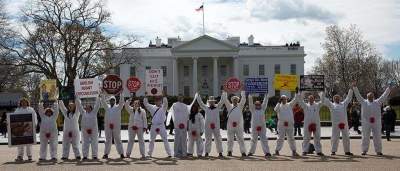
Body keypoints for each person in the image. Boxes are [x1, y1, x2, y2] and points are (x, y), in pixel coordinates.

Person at [353, 82, 391, 155]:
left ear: (373, 96)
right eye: (369, 96)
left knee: (377, 136)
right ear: (367, 97)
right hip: (366, 121)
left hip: (376, 121)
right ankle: (364, 150)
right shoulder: (363, 102)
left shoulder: (377, 102)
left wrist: (388, 88)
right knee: (365, 136)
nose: (370, 97)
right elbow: (358, 96)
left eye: (371, 96)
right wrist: (355, 87)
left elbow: (384, 96)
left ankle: (378, 151)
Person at [321, 89, 354, 156]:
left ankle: (347, 151)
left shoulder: (344, 104)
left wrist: (350, 89)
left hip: (344, 124)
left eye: (338, 98)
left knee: (346, 137)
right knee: (334, 137)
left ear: (340, 98)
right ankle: (333, 151)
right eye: (335, 98)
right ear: (333, 99)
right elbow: (324, 99)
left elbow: (349, 98)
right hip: (335, 124)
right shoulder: (331, 105)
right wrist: (322, 91)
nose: (337, 99)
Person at [196, 93, 225, 157]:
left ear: (214, 102)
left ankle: (220, 152)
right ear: (209, 102)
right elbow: (201, 103)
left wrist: (223, 94)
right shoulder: (206, 107)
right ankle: (207, 152)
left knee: (218, 138)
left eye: (212, 101)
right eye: (210, 101)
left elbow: (222, 101)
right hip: (208, 126)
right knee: (208, 139)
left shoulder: (217, 107)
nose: (211, 102)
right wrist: (198, 96)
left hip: (216, 126)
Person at [144, 92, 172, 157]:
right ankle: (149, 153)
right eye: (156, 100)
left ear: (161, 101)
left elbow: (166, 103)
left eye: (159, 100)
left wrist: (164, 96)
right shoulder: (152, 107)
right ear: (155, 101)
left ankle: (169, 153)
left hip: (161, 126)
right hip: (154, 126)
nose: (158, 102)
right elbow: (146, 104)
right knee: (151, 140)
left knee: (165, 140)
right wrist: (146, 96)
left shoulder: (164, 107)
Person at [298, 91, 325, 156]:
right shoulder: (305, 106)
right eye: (310, 99)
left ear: (314, 99)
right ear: (308, 99)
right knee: (306, 138)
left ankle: (319, 151)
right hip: (307, 124)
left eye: (312, 98)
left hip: (316, 124)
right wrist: (301, 93)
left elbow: (323, 101)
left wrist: (322, 93)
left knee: (317, 137)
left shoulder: (317, 105)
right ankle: (304, 151)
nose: (311, 100)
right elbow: (300, 101)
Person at [222, 91, 247, 157]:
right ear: (232, 101)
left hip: (239, 126)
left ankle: (243, 152)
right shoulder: (229, 106)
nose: (235, 101)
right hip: (230, 125)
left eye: (236, 100)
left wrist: (243, 92)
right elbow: (225, 100)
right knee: (230, 140)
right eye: (233, 100)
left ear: (238, 100)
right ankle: (229, 151)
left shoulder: (240, 106)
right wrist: (224, 93)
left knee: (241, 139)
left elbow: (244, 100)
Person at [247, 91, 272, 157]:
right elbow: (250, 103)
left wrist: (266, 95)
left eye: (259, 104)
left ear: (260, 105)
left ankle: (267, 152)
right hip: (254, 127)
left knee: (264, 139)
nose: (257, 105)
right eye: (256, 104)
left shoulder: (263, 109)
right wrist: (250, 96)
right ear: (254, 105)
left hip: (262, 127)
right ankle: (251, 152)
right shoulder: (253, 109)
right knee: (253, 140)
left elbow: (265, 102)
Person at [101, 94, 125, 159]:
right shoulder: (107, 107)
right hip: (108, 126)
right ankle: (106, 154)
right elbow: (103, 101)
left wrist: (121, 94)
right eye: (111, 100)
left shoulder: (118, 107)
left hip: (116, 126)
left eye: (113, 100)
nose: (112, 101)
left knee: (118, 139)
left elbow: (122, 102)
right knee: (108, 140)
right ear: (109, 101)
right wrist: (102, 94)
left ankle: (121, 153)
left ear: (115, 101)